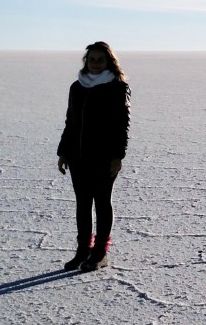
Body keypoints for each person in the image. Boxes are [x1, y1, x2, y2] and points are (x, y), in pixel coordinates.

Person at [57, 42, 131, 272]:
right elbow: (70, 121)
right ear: (86, 61)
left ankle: (100, 253)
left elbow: (122, 125)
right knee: (82, 204)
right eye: (92, 59)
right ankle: (82, 251)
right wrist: (63, 151)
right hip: (77, 157)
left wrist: (118, 156)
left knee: (101, 202)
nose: (96, 63)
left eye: (100, 59)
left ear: (109, 62)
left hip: (104, 157)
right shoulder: (76, 87)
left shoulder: (117, 87)